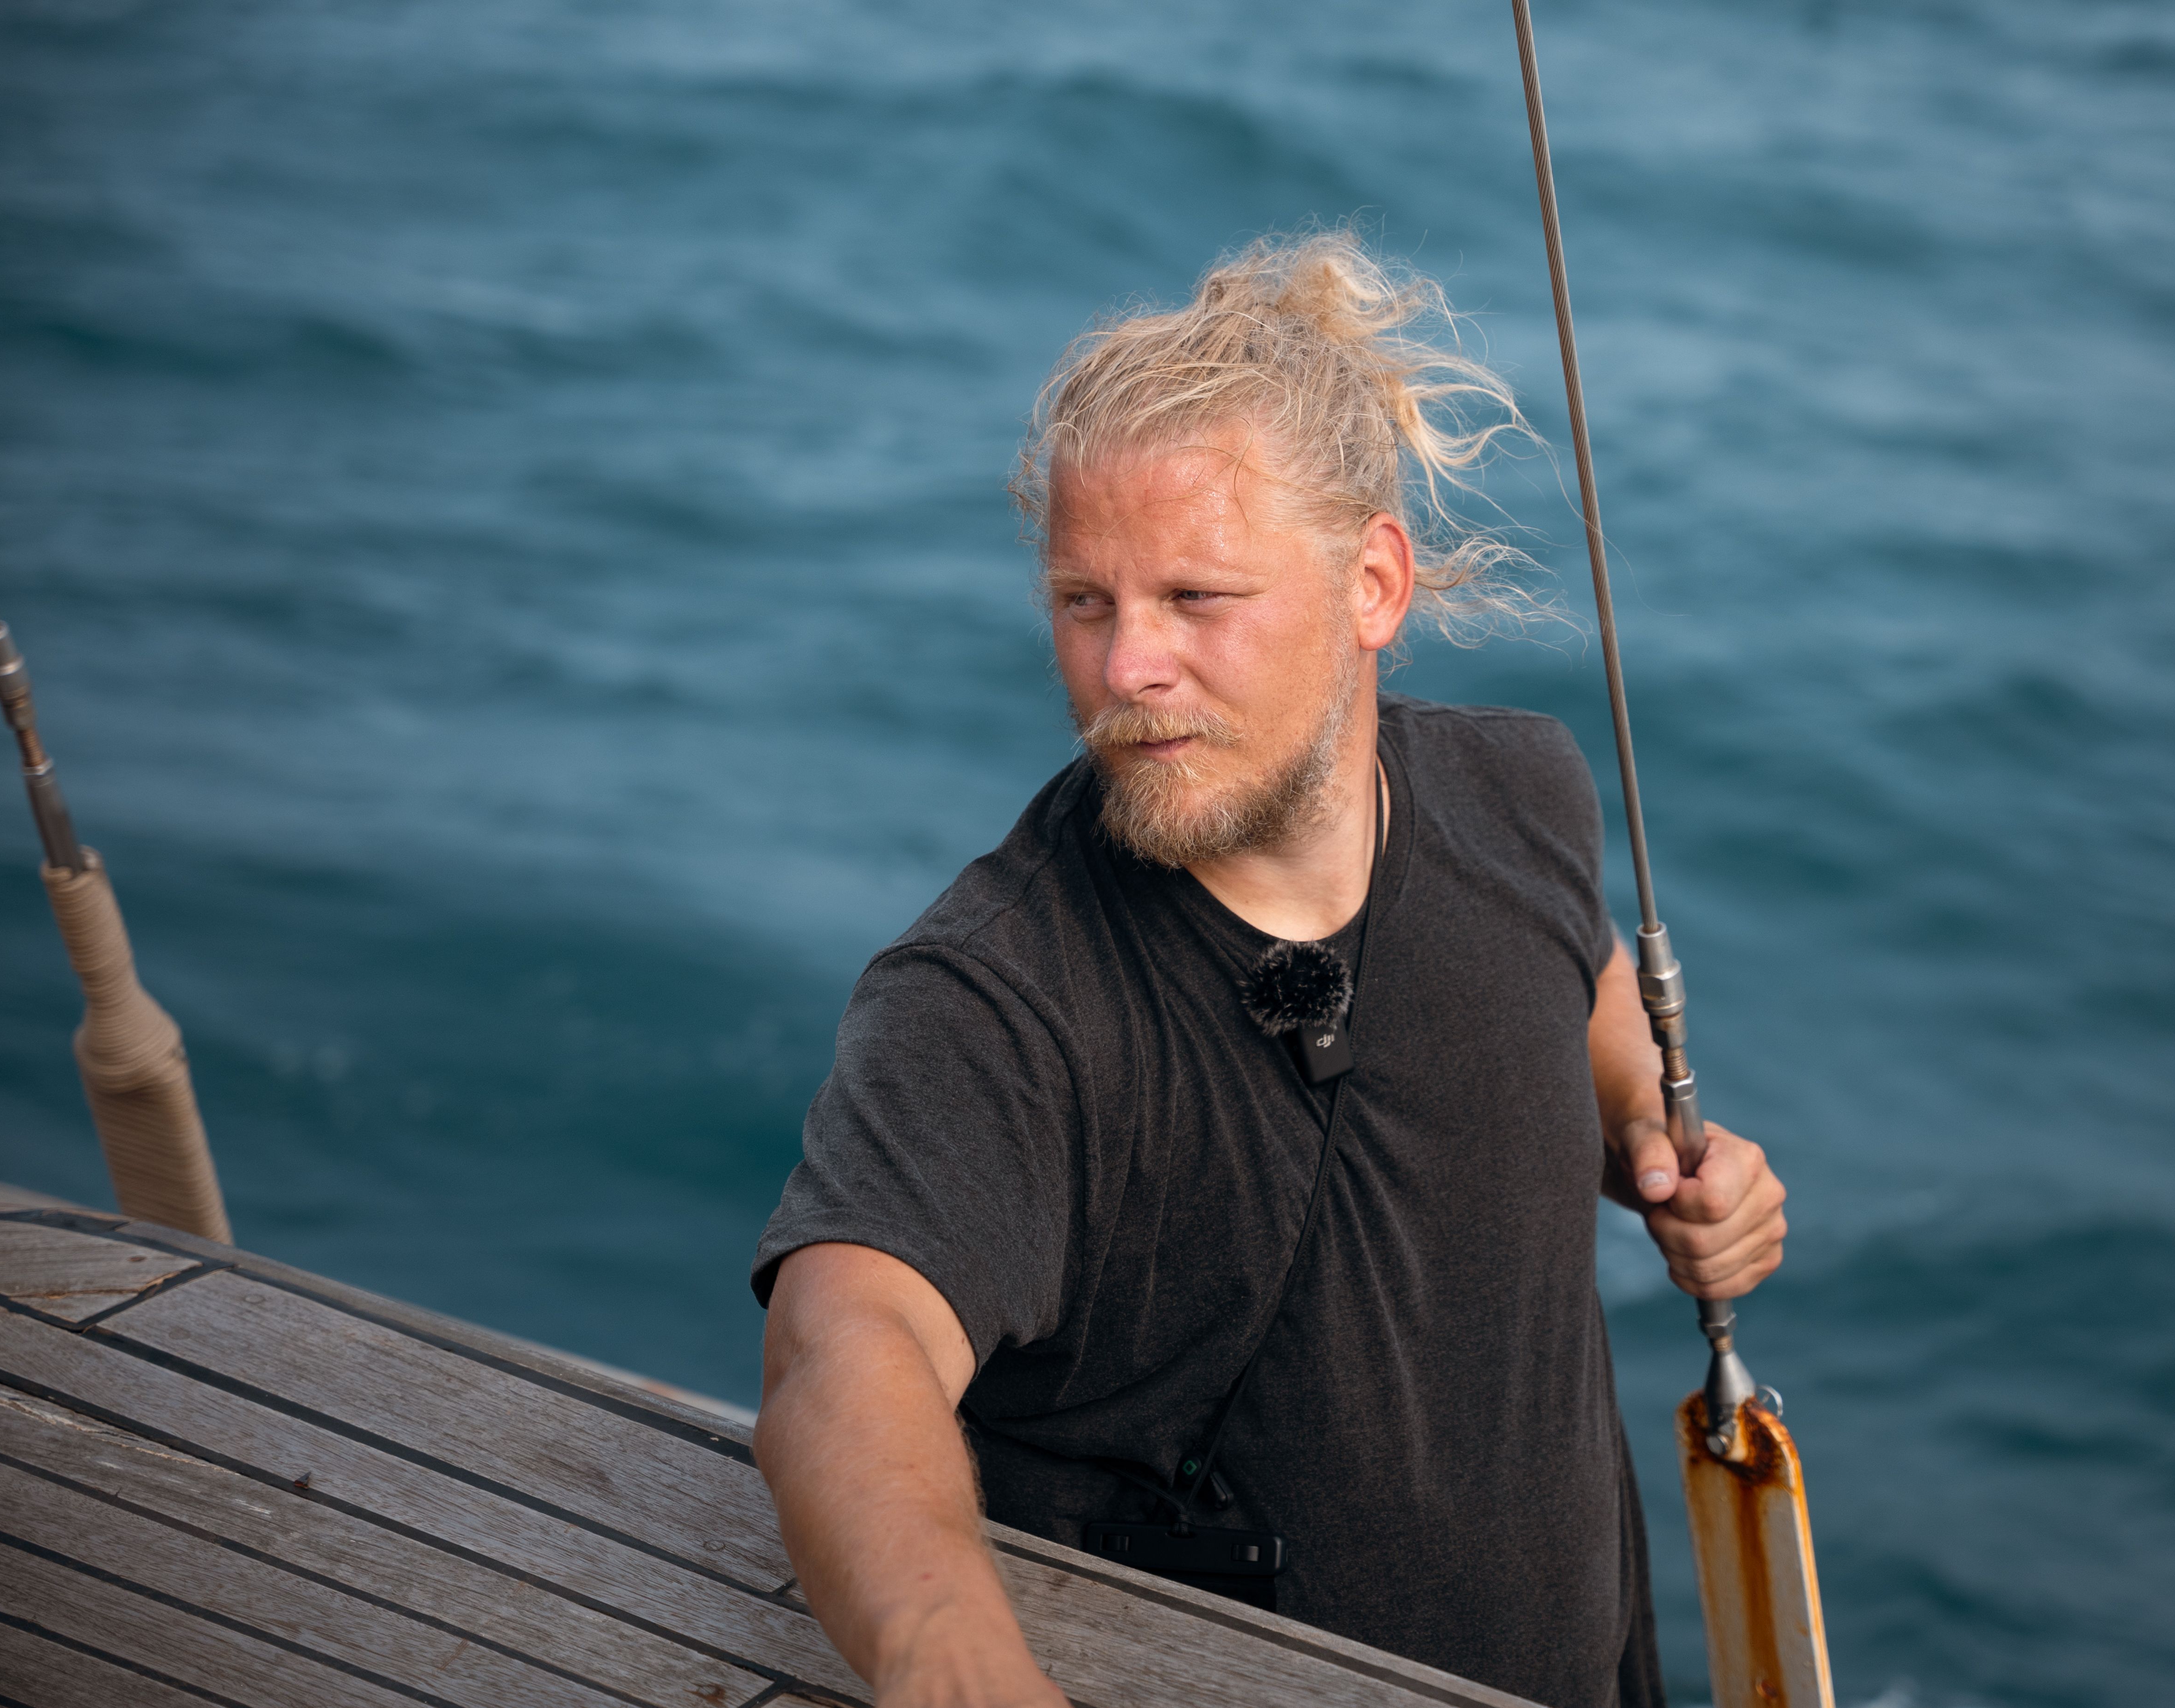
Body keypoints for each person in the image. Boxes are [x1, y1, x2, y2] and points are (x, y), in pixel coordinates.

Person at [750, 230, 1789, 1708]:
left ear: (1370, 584)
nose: (1125, 671)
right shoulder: (994, 993)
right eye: (1083, 602)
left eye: (1194, 598)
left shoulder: (1522, 792)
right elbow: (842, 1346)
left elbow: (1580, 989)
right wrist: (945, 1653)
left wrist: (1652, 1144)